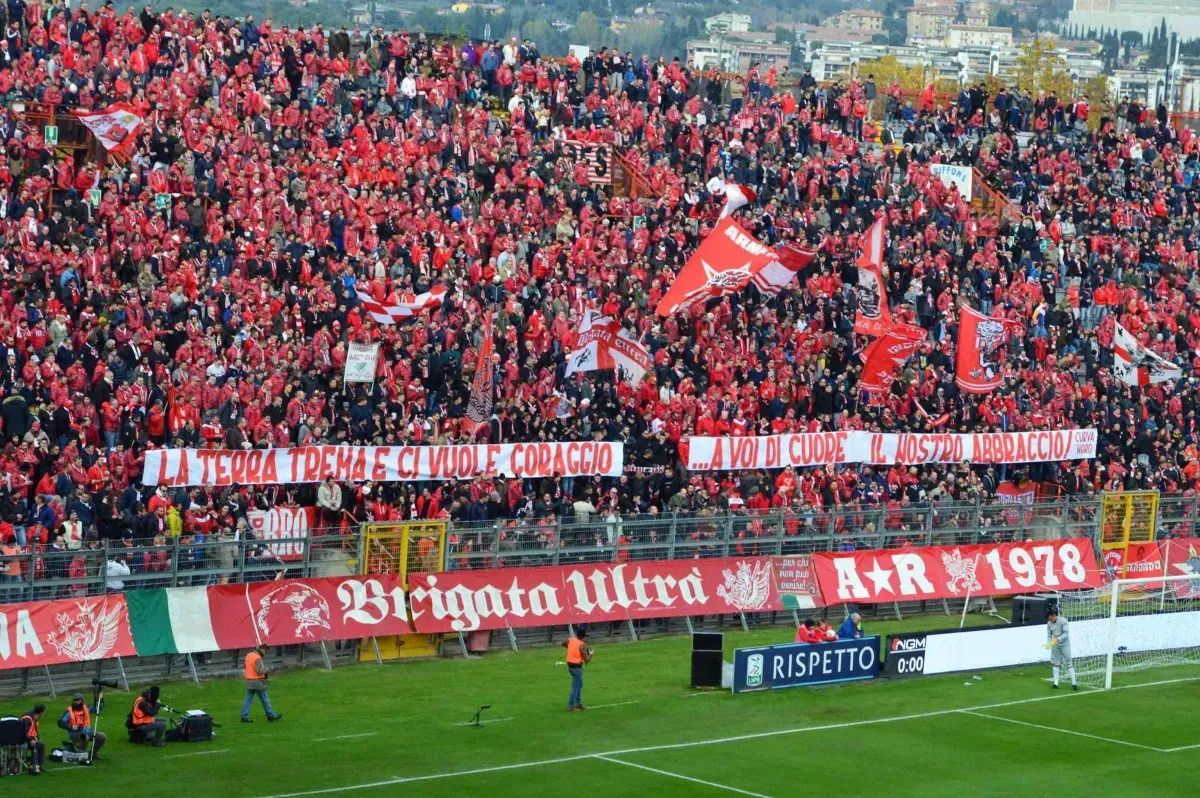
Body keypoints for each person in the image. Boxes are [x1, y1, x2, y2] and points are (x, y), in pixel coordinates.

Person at [242, 644, 283, 722]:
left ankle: (244, 716)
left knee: (248, 699)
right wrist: (267, 669)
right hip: (257, 681)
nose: (265, 653)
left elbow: (245, 666)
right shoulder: (258, 658)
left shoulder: (249, 655)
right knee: (265, 698)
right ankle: (270, 715)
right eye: (266, 651)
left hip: (249, 680)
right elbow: (259, 671)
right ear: (263, 649)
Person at [59, 691, 106, 758]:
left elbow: (99, 708)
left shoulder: (86, 708)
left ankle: (93, 753)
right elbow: (60, 722)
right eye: (75, 700)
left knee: (102, 736)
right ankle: (80, 754)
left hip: (86, 731)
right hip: (74, 734)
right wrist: (71, 727)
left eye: (78, 700)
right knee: (85, 737)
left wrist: (100, 699)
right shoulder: (69, 711)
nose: (76, 702)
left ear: (81, 700)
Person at [1046, 608, 1078, 691]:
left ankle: (1074, 684)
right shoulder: (1049, 624)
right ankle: (1056, 684)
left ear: (1053, 615)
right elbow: (1049, 635)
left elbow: (1066, 634)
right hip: (1055, 645)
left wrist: (1057, 639)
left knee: (1068, 663)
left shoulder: (1063, 621)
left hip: (1065, 645)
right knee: (1055, 663)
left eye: (1050, 617)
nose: (1049, 619)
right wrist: (1049, 642)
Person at [561, 628, 592, 711]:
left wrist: (571, 649)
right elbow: (587, 660)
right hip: (577, 667)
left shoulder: (571, 640)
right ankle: (570, 706)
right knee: (576, 686)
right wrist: (591, 654)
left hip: (570, 666)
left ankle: (578, 704)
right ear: (584, 636)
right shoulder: (582, 645)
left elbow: (562, 644)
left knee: (579, 685)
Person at [20, 704, 46, 775]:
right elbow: (23, 732)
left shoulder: (34, 718)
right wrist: (31, 740)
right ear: (41, 712)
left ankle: (40, 765)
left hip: (28, 739)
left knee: (41, 744)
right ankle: (33, 766)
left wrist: (36, 738)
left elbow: (34, 732)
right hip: (23, 740)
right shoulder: (28, 719)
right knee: (36, 745)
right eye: (43, 712)